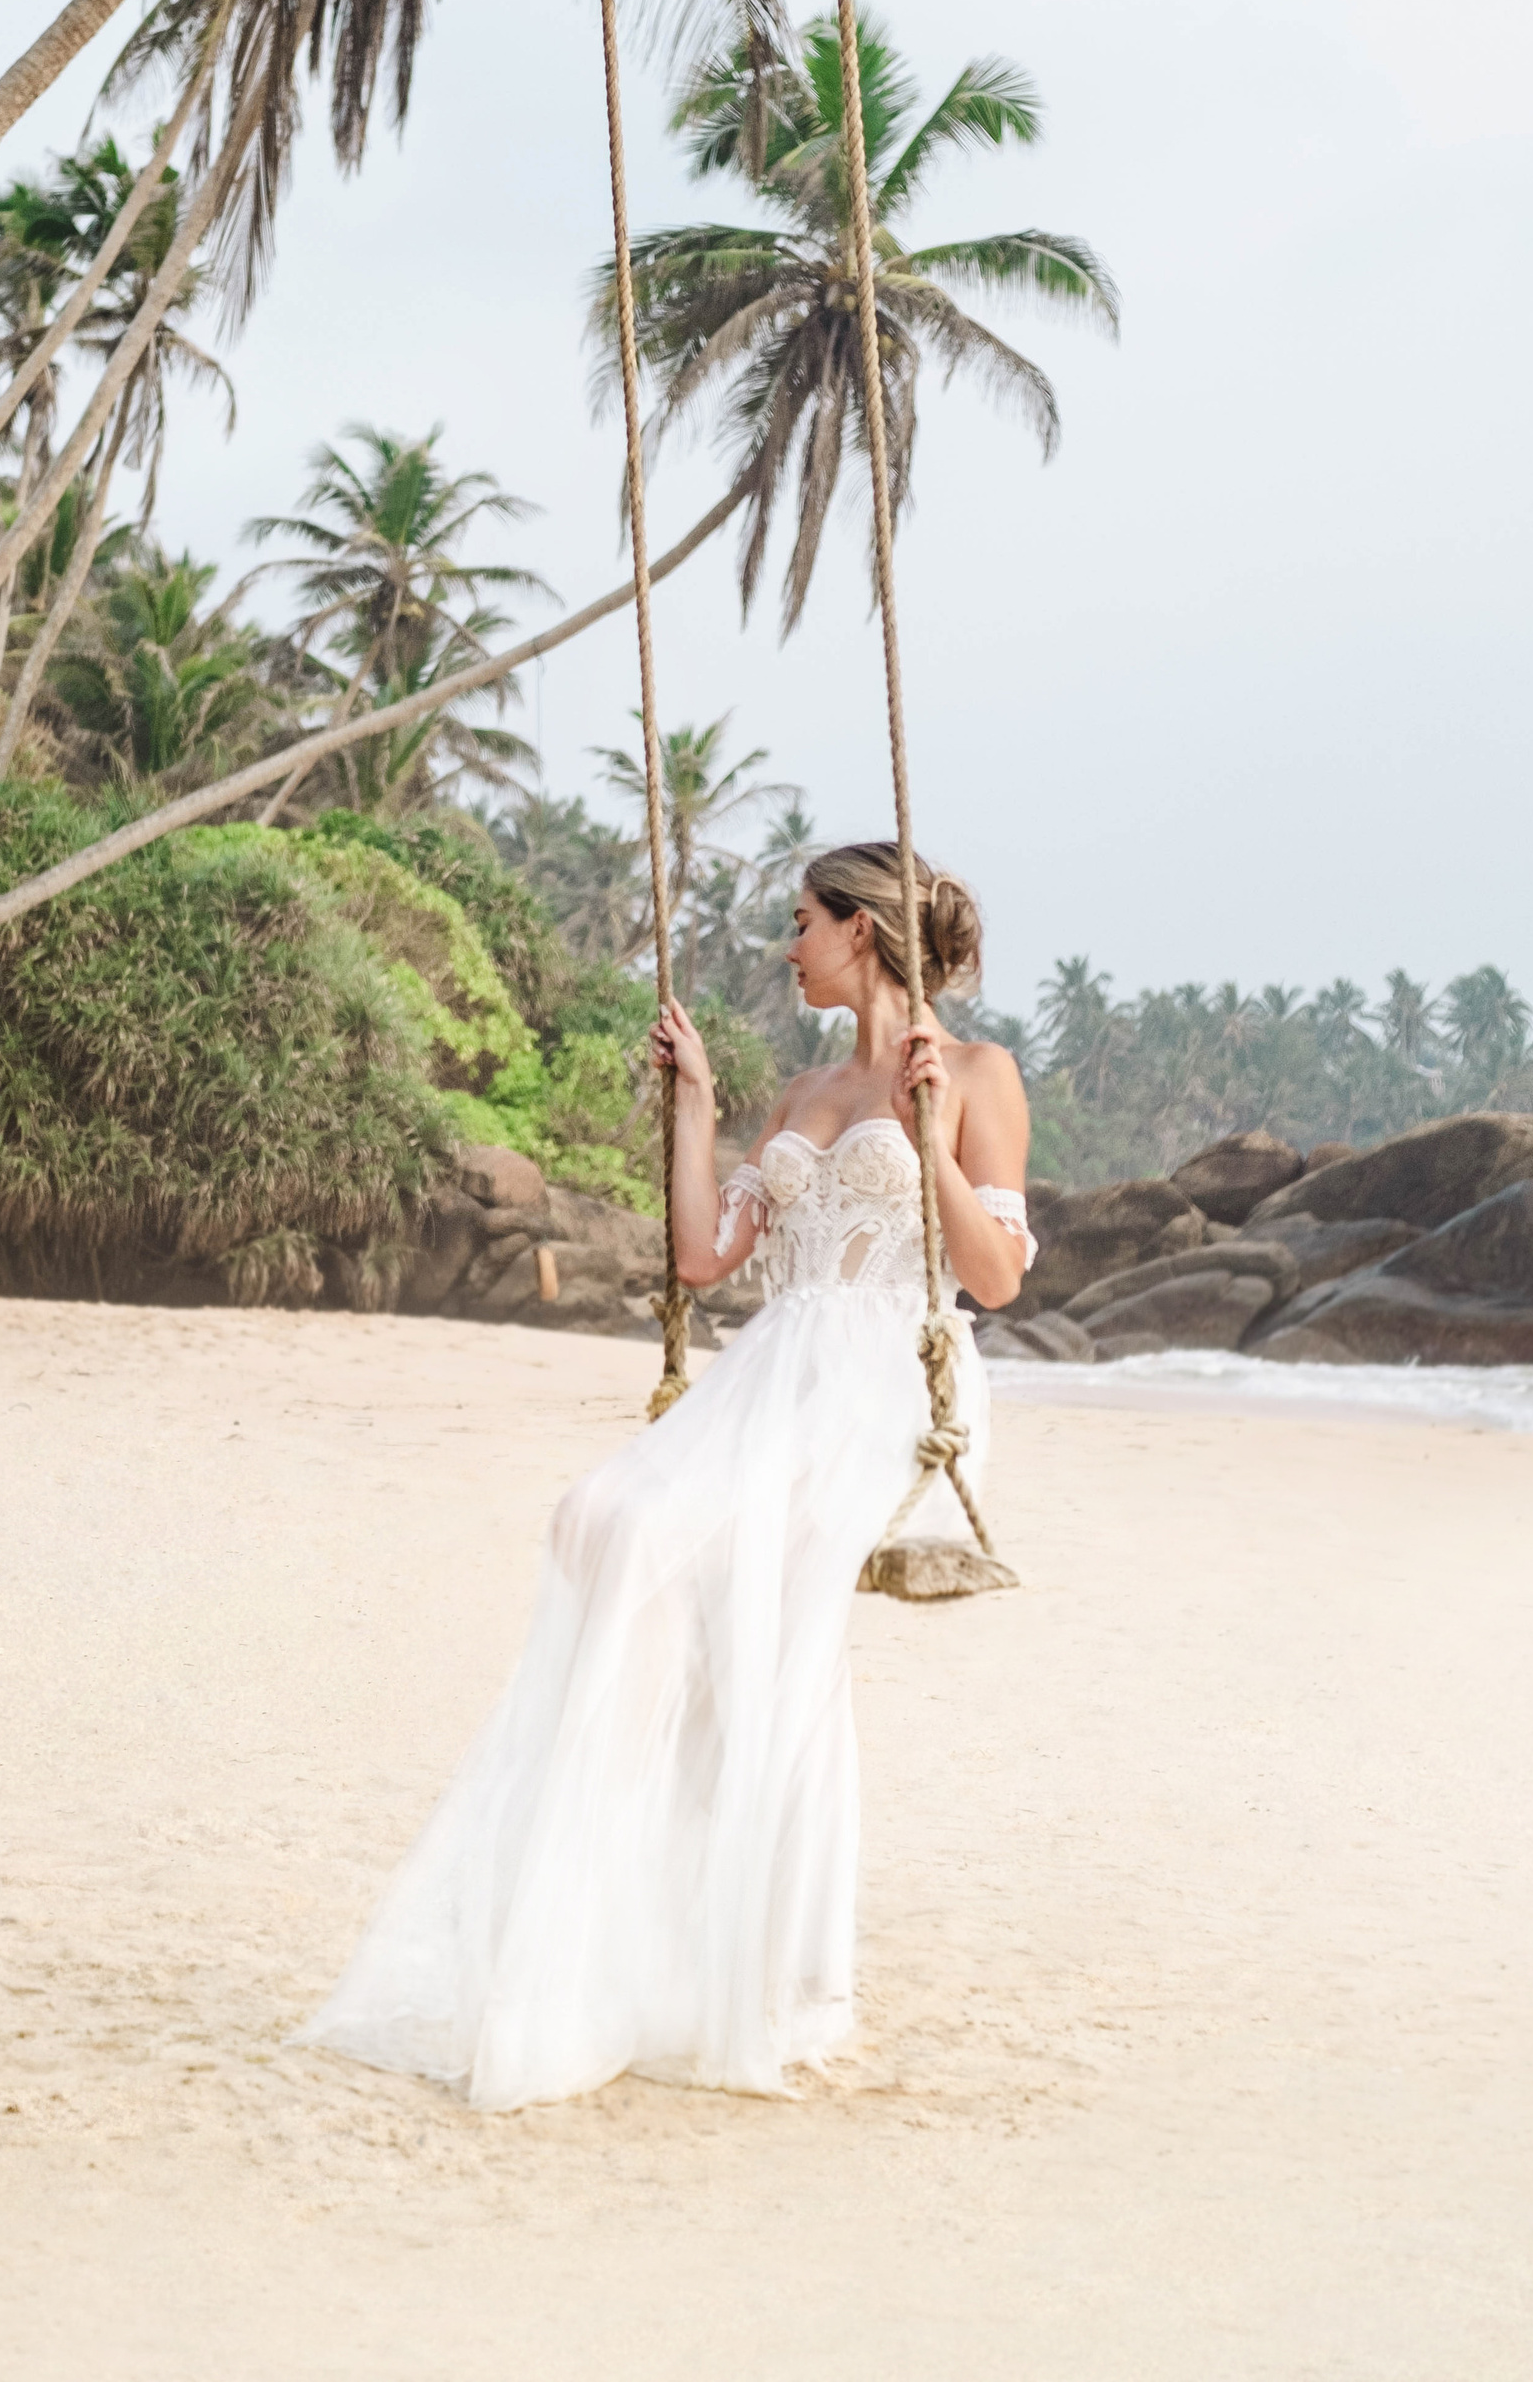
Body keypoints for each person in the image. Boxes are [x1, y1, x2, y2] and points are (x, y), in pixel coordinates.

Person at [301, 841, 1034, 2112]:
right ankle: (621, 1898)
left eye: (802, 921)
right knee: (605, 1519)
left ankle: (775, 1975)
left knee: (774, 1628)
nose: (787, 943)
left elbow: (995, 1277)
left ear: (860, 929)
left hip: (887, 1374)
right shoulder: (801, 1087)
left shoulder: (971, 1072)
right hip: (776, 1362)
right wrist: (694, 1100)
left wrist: (931, 1144)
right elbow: (703, 1256)